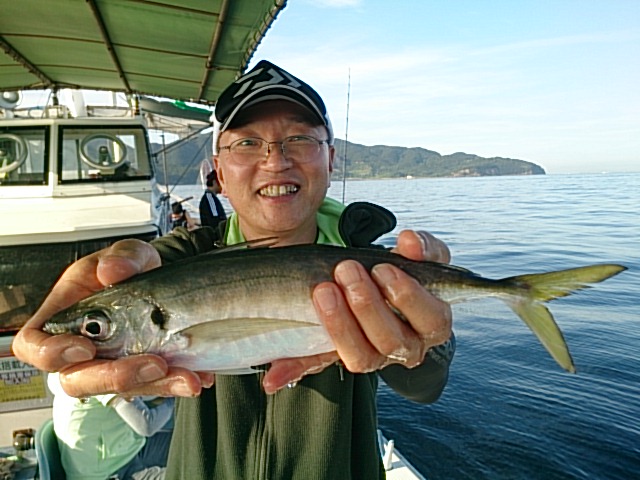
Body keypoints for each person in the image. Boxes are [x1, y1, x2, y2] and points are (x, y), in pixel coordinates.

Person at [13, 60, 455, 480]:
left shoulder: (374, 269)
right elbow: (135, 270)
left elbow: (426, 386)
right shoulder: (182, 258)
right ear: (219, 173)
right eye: (246, 143)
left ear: (330, 159)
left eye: (299, 139)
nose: (276, 160)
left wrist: (420, 343)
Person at [47, 372, 174, 480]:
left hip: (123, 451)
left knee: (184, 441)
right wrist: (174, 400)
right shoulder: (99, 378)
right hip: (108, 473)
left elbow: (140, 395)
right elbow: (146, 425)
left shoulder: (67, 372)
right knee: (184, 472)